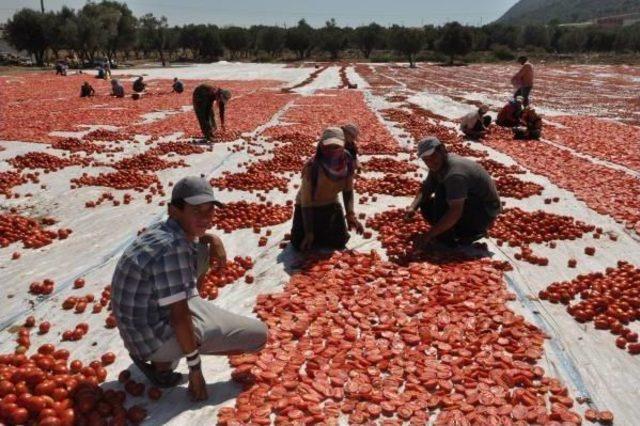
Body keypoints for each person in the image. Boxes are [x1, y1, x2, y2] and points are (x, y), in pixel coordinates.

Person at [111, 176, 268, 399]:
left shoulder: (162, 230)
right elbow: (179, 316)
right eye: (197, 210)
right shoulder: (173, 248)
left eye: (209, 210)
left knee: (199, 252)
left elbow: (194, 246)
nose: (206, 218)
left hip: (137, 327)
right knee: (258, 335)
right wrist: (195, 369)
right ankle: (163, 356)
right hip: (151, 335)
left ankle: (162, 363)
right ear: (174, 210)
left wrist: (211, 239)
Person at [406, 137, 501, 248]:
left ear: (442, 150)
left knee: (442, 191)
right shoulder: (439, 165)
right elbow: (427, 188)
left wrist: (428, 235)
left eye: (433, 156)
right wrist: (413, 207)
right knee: (425, 203)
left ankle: (470, 232)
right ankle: (454, 230)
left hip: (484, 213)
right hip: (470, 204)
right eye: (426, 159)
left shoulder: (455, 174)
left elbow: (455, 211)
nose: (430, 162)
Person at [290, 136, 364, 251]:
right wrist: (309, 233)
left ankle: (319, 233)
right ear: (321, 146)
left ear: (343, 146)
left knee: (340, 241)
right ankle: (313, 233)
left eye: (336, 147)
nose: (333, 150)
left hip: (330, 204)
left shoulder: (347, 161)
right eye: (328, 147)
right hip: (307, 207)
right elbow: (306, 202)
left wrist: (350, 214)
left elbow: (348, 190)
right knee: (298, 243)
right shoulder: (312, 167)